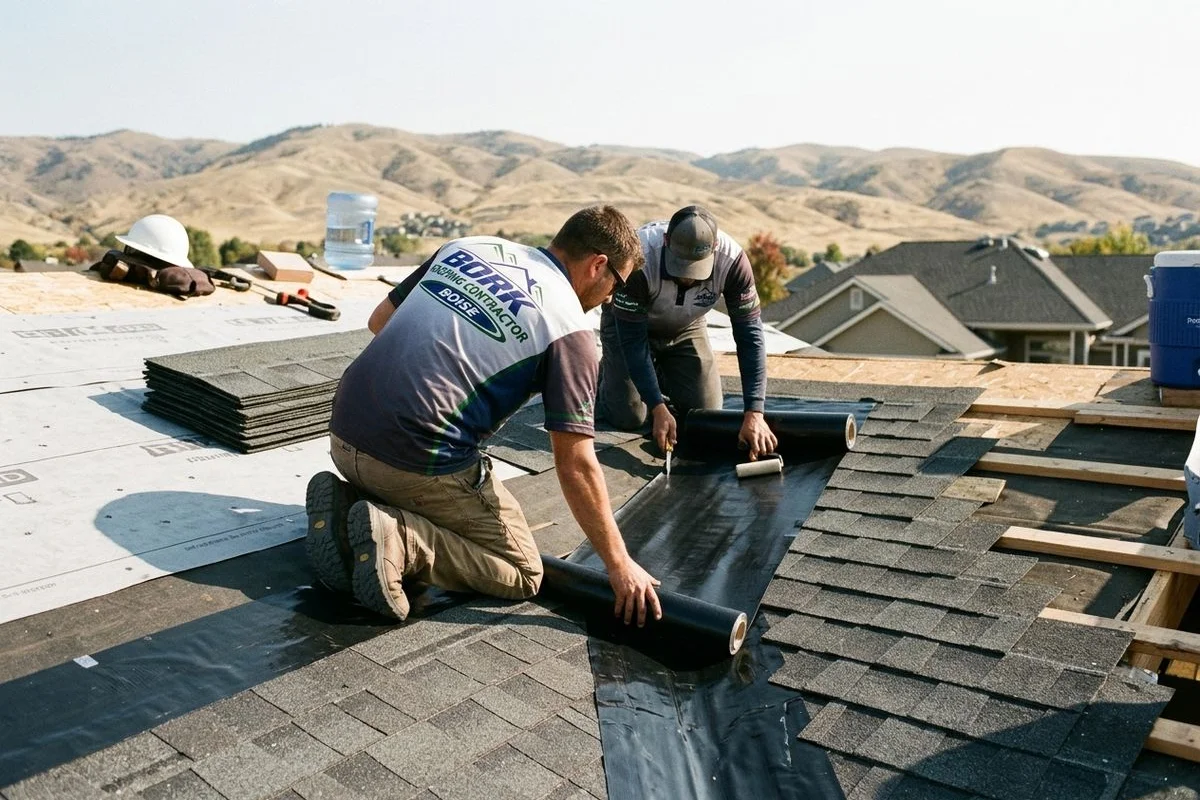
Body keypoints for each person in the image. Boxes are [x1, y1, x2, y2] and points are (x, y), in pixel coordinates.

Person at [305, 205, 663, 626]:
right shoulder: (570, 330)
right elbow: (576, 464)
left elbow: (379, 320)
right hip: (412, 461)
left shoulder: (468, 247)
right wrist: (619, 565)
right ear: (597, 265)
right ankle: (400, 538)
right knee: (522, 571)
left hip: (342, 433)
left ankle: (351, 501)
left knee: (414, 465)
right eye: (615, 287)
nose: (609, 300)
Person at [597, 205, 777, 458]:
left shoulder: (733, 262)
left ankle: (658, 373)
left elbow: (750, 339)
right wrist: (658, 407)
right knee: (629, 416)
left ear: (713, 249)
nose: (688, 279)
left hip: (686, 327)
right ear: (666, 241)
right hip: (629, 328)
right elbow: (633, 342)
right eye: (680, 266)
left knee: (707, 414)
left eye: (696, 270)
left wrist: (754, 413)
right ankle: (607, 374)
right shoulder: (638, 259)